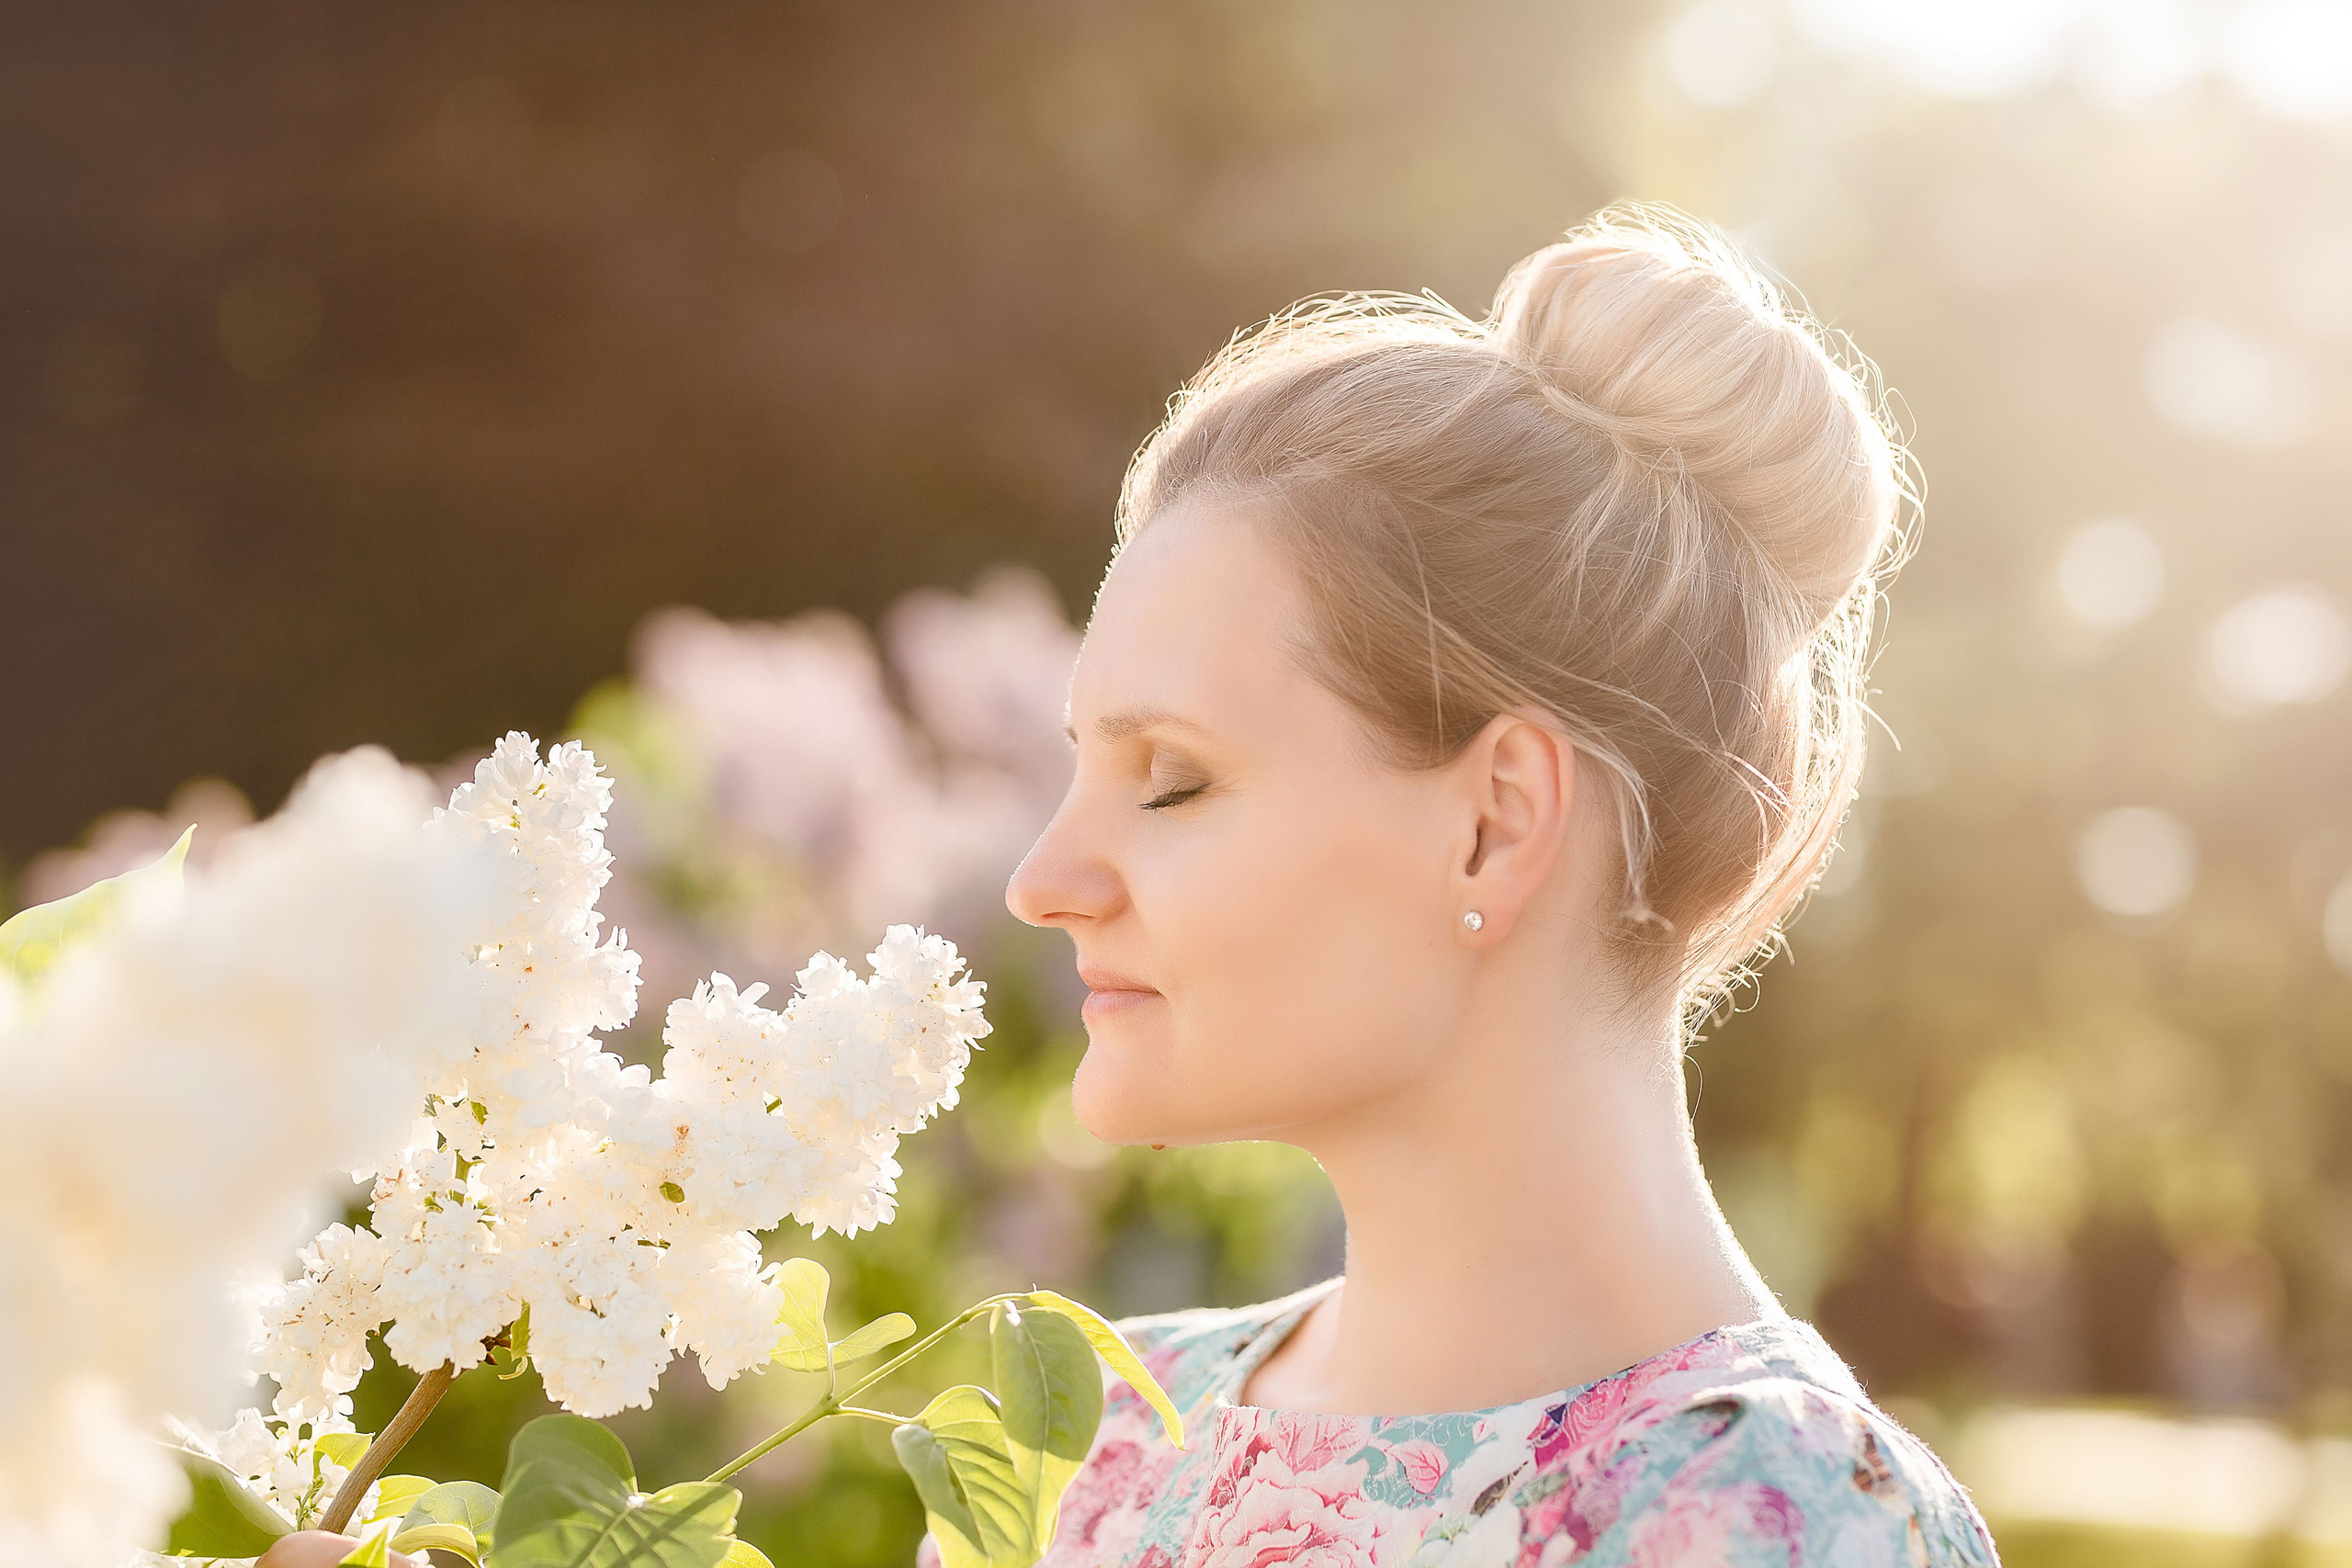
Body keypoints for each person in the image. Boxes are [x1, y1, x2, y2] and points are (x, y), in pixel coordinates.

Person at [993, 206, 2001, 1566]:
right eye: (1078, 768)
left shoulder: (1770, 1520)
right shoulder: (1094, 1445)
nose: (1041, 882)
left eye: (1170, 777)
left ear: (1495, 823)